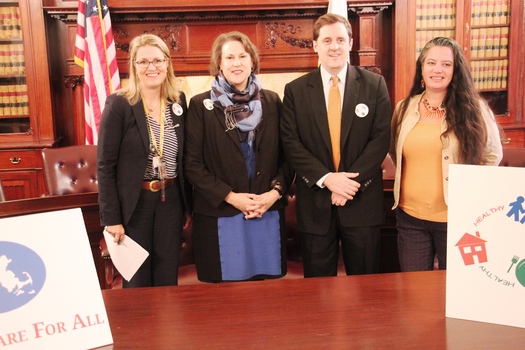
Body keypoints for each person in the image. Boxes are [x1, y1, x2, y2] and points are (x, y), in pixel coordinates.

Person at [280, 14, 392, 277]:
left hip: (361, 203)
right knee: (318, 294)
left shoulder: (374, 85)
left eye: (341, 39)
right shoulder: (295, 90)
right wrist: (328, 179)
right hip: (316, 205)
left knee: (365, 289)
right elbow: (291, 142)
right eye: (327, 40)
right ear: (315, 45)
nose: (334, 46)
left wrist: (348, 185)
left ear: (350, 43)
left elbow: (380, 139)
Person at [185, 31, 294, 283]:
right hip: (221, 212)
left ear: (252, 61)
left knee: (265, 301)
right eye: (229, 57)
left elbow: (289, 156)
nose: (237, 63)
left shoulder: (272, 101)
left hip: (265, 210)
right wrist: (231, 197)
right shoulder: (201, 106)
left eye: (242, 56)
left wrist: (274, 194)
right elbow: (192, 164)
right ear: (219, 63)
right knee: (224, 305)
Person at [389, 37, 503, 272]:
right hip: (410, 219)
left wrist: (472, 192)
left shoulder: (475, 110)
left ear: (456, 70)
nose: (437, 70)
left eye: (446, 64)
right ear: (422, 68)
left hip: (457, 219)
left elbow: (492, 155)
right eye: (431, 63)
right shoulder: (403, 108)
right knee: (415, 292)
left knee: (456, 294)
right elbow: (394, 151)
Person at [98, 33, 191, 288]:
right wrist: (111, 218)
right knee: (137, 279)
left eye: (158, 61)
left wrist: (186, 206)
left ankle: (167, 328)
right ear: (134, 67)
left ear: (167, 63)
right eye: (144, 62)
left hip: (170, 201)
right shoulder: (119, 104)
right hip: (134, 205)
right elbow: (105, 165)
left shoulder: (178, 101)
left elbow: (184, 158)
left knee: (166, 273)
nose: (152, 67)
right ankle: (139, 328)